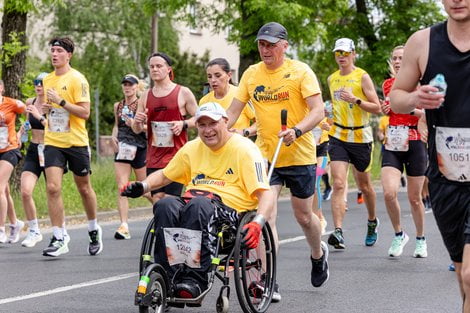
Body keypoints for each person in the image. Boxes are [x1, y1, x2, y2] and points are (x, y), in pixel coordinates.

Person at [122, 102, 274, 298]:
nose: (208, 130)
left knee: (199, 206)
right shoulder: (192, 148)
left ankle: (195, 279)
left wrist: (258, 223)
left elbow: (265, 193)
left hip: (229, 213)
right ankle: (166, 275)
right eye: (202, 125)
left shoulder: (244, 149)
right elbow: (166, 175)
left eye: (213, 123)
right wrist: (142, 186)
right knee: (164, 204)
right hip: (193, 202)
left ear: (225, 122)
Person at [227, 22, 330, 295]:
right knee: (265, 216)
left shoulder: (300, 72)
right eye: (262, 44)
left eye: (271, 44)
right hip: (264, 155)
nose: (265, 50)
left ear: (285, 45)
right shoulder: (251, 74)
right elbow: (232, 112)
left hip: (299, 154)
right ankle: (266, 278)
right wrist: (213, 132)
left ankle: (318, 254)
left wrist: (297, 131)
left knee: (304, 217)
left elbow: (318, 111)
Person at [389, 1, 470, 309]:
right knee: (462, 273)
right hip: (445, 174)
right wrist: (414, 97)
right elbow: (397, 99)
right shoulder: (421, 42)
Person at [41, 37, 102, 257]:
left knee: (84, 188)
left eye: (59, 51)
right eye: (52, 51)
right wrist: (46, 109)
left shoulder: (78, 79)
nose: (54, 54)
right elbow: (47, 110)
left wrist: (61, 102)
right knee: (52, 188)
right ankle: (59, 236)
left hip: (76, 141)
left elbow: (85, 113)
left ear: (69, 55)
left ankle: (94, 228)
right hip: (53, 141)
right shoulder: (47, 79)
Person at [326, 37, 381, 250]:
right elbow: (334, 106)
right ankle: (338, 231)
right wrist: (327, 114)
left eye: (345, 53)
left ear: (353, 54)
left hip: (361, 137)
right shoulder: (332, 79)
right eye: (338, 53)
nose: (341, 57)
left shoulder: (362, 77)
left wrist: (355, 100)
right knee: (338, 183)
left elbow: (376, 107)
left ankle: (372, 221)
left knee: (365, 186)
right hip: (338, 136)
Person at [380, 45, 427, 258]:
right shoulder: (388, 85)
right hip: (393, 141)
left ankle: (420, 239)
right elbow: (389, 111)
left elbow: (427, 114)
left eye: (402, 58)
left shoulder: (420, 86)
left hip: (415, 141)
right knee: (389, 193)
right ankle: (399, 234)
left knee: (414, 198)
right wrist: (386, 109)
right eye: (395, 58)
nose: (398, 61)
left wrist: (406, 108)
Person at [132, 52, 198, 203]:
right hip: (154, 157)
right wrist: (137, 122)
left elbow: (200, 119)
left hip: (177, 156)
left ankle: (171, 226)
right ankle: (163, 227)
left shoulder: (183, 92)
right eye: (152, 67)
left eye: (159, 66)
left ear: (168, 69)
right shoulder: (145, 96)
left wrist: (183, 124)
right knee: (157, 200)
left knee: (169, 201)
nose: (155, 69)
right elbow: (136, 129)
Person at [111, 74, 150, 240]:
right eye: (125, 84)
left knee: (145, 188)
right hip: (123, 148)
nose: (127, 88)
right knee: (122, 187)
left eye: (130, 85)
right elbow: (116, 125)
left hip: (140, 148)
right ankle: (124, 226)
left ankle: (164, 210)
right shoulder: (118, 106)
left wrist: (136, 125)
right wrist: (113, 137)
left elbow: (149, 128)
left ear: (136, 87)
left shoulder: (142, 105)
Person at [19, 72, 49, 247]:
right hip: (33, 150)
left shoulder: (49, 105)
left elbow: (51, 126)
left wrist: (38, 116)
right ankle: (34, 230)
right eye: (36, 83)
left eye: (42, 83)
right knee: (25, 191)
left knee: (54, 191)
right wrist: (23, 129)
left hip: (50, 150)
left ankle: (61, 232)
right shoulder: (30, 102)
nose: (38, 86)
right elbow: (29, 123)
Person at [200, 58, 256, 137]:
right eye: (209, 76)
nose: (213, 80)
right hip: (213, 148)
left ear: (229, 75)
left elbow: (261, 122)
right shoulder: (204, 101)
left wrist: (244, 132)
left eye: (217, 75)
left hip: (238, 147)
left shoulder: (241, 95)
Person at [0, 79, 26, 244]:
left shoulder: (12, 104)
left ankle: (1, 229)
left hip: (10, 150)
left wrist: (21, 134)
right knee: (5, 191)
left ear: (1, 88)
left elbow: (31, 113)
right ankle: (15, 223)